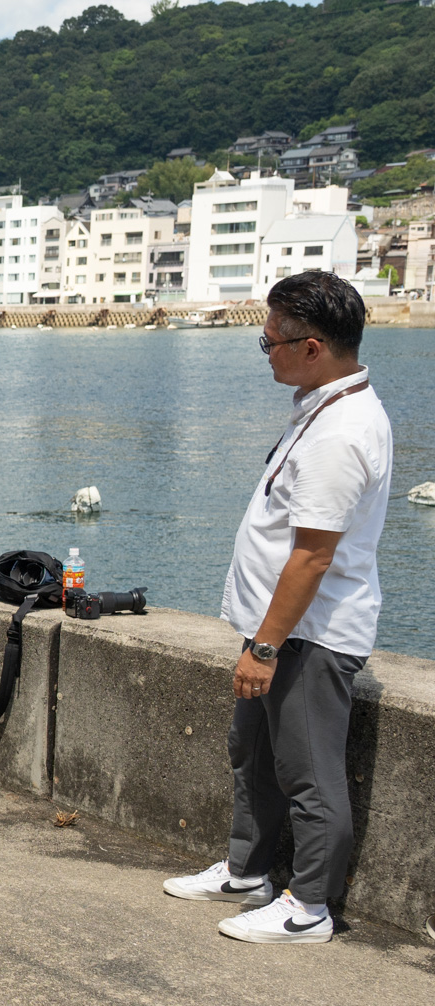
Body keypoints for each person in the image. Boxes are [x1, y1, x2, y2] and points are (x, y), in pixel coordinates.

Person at [165, 271, 391, 944]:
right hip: (276, 631)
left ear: (313, 346)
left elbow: (313, 557)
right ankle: (247, 870)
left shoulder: (340, 433)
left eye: (269, 342)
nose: (265, 352)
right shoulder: (320, 406)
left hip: (307, 636)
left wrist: (265, 647)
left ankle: (309, 907)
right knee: (252, 754)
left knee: (308, 775)